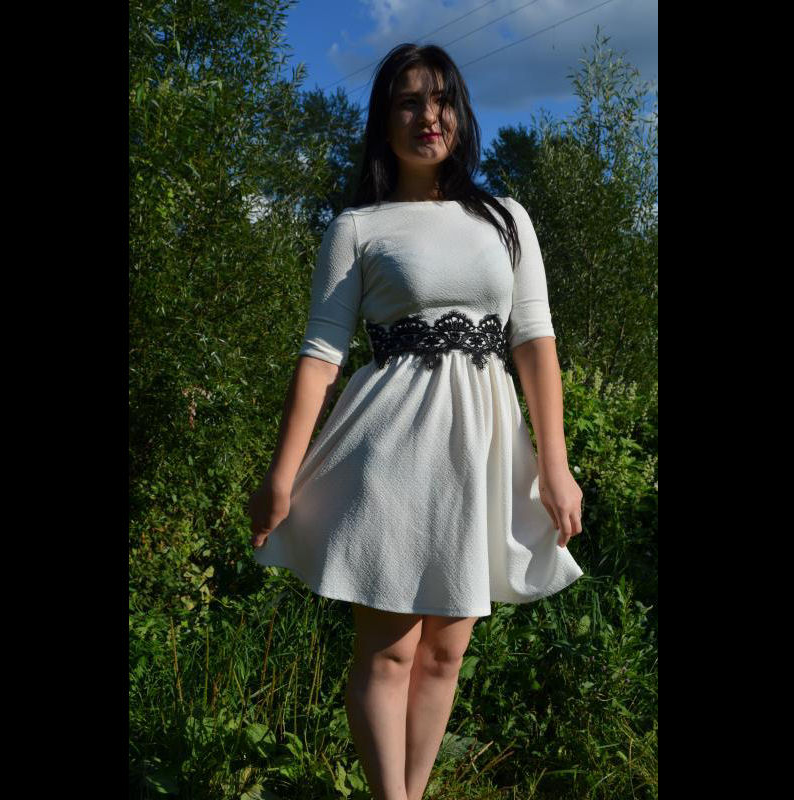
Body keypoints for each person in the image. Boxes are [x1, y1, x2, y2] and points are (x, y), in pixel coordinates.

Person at [247, 42, 584, 800]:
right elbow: (320, 356)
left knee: (444, 652)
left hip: (481, 452)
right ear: (384, 120)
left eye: (442, 100)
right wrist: (280, 477)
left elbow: (535, 345)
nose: (428, 116)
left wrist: (555, 467)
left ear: (460, 115)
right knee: (391, 649)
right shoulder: (359, 227)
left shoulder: (507, 219)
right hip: (390, 448)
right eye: (409, 102)